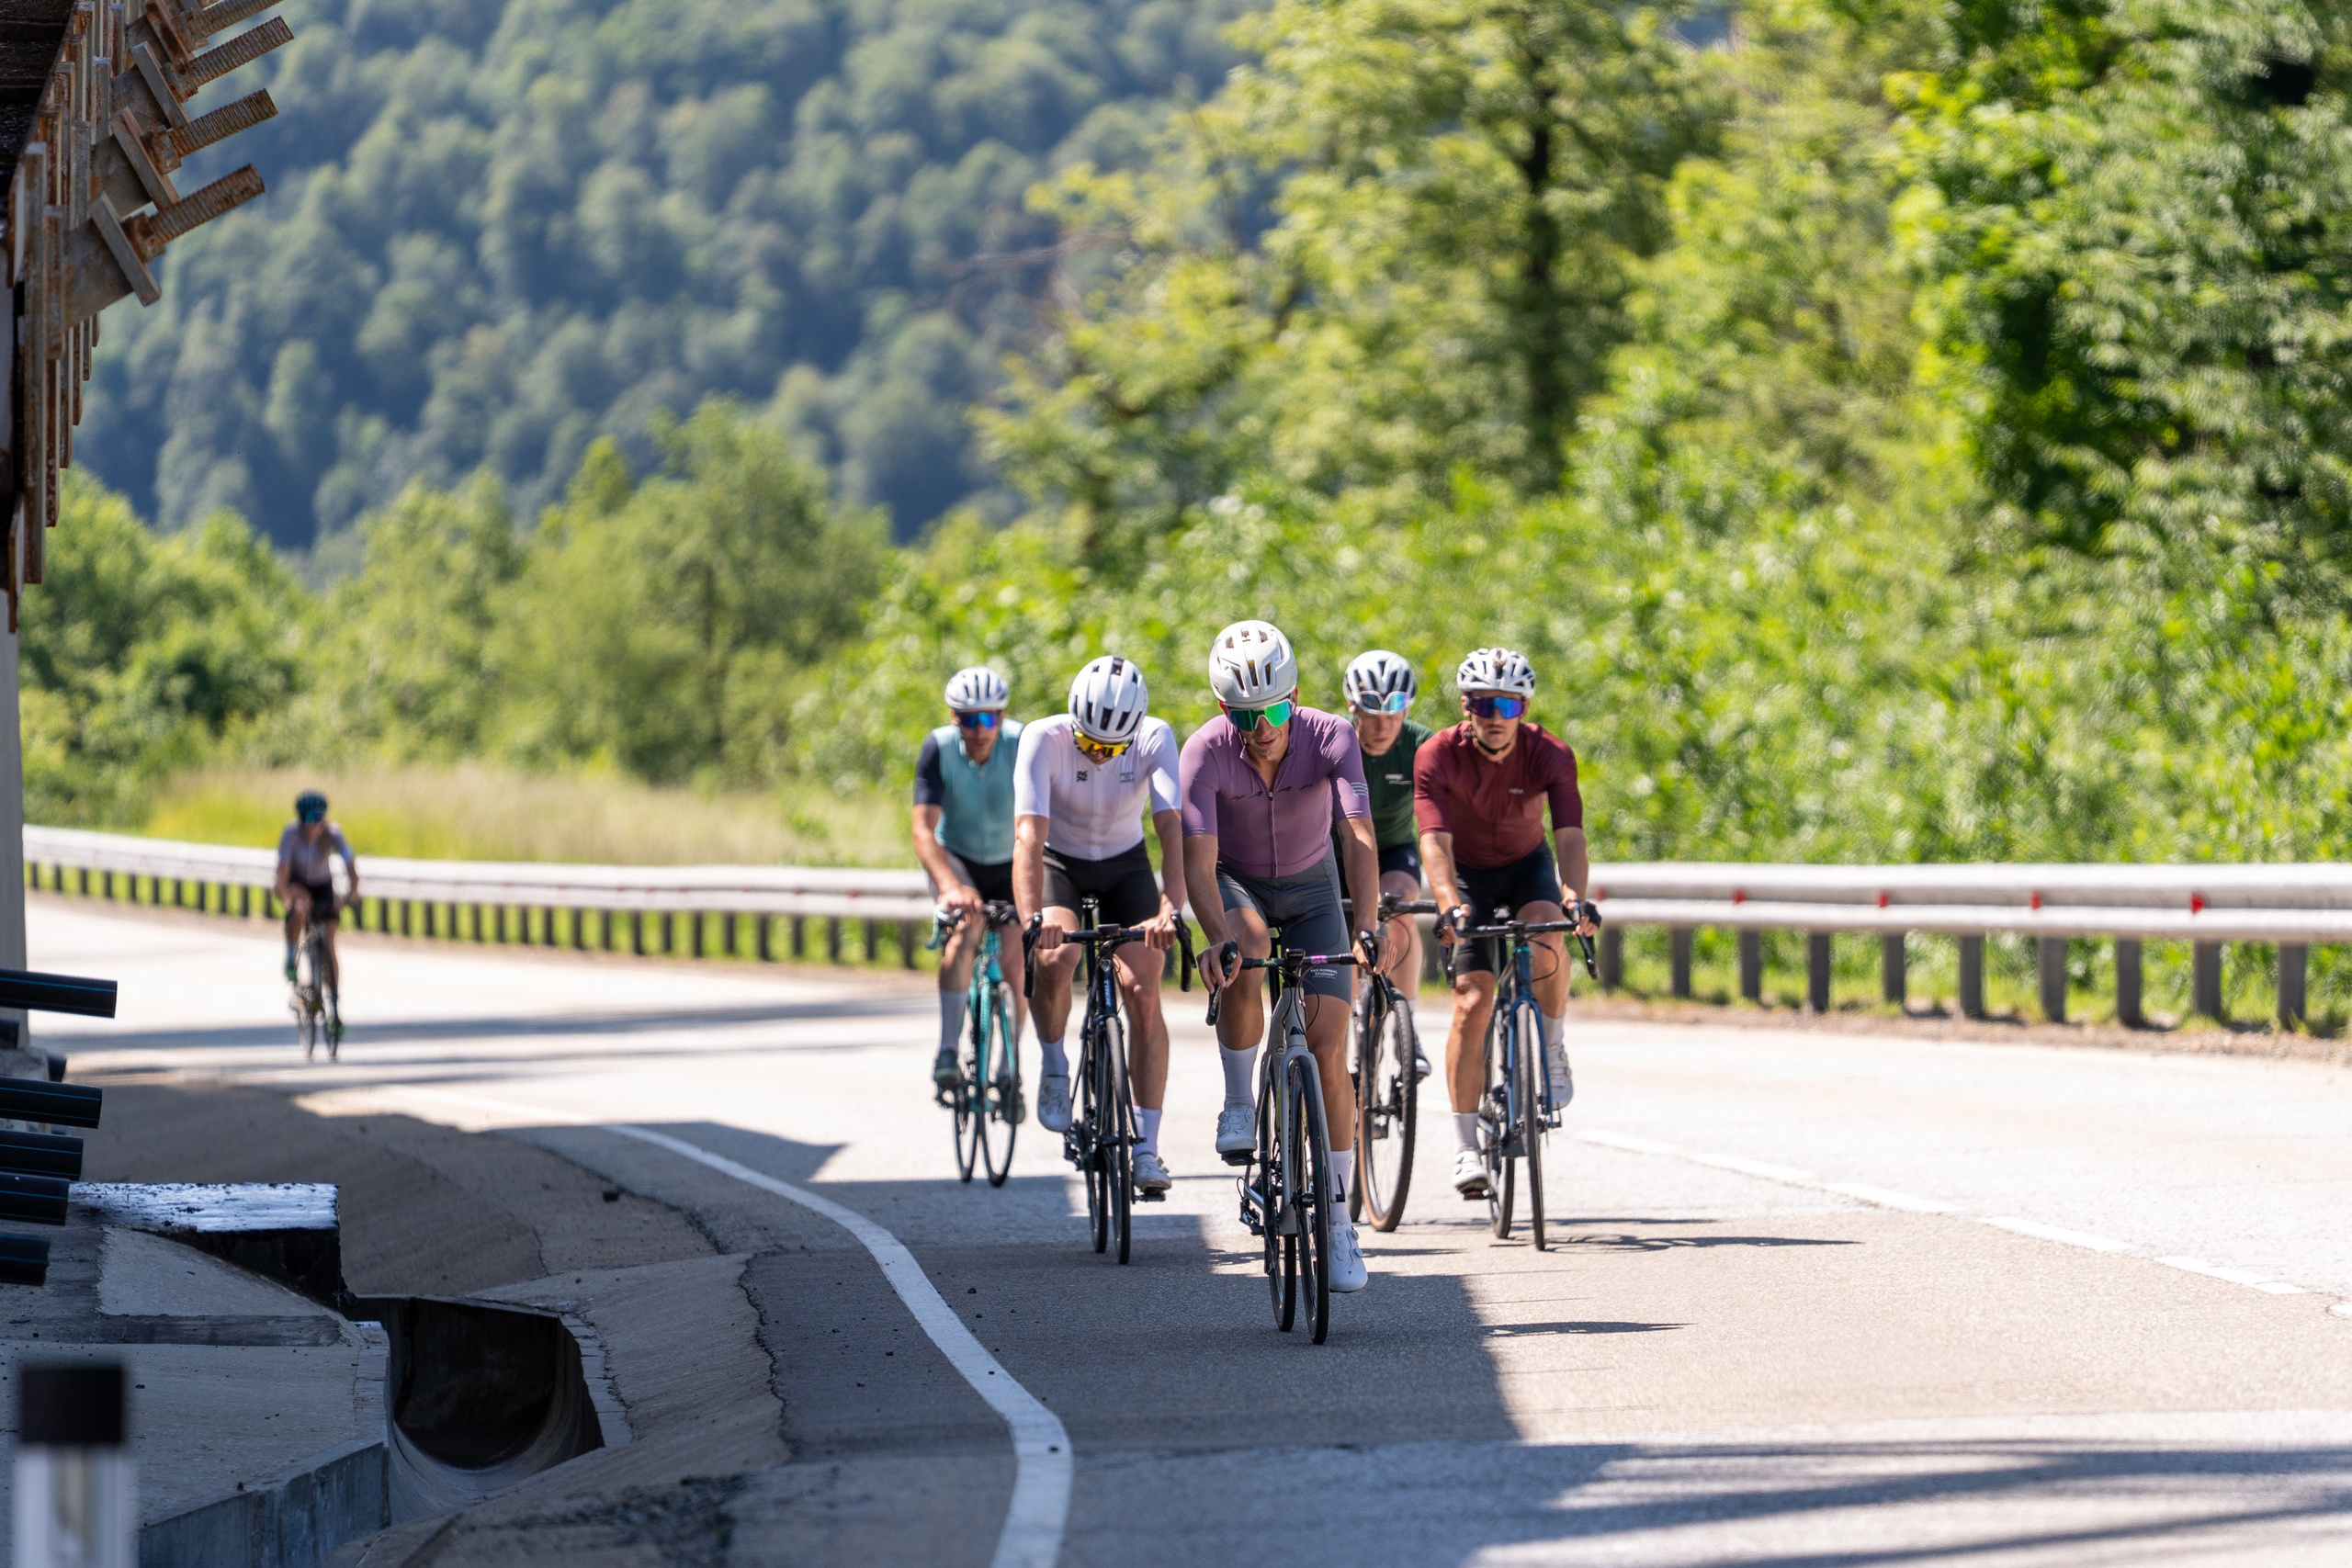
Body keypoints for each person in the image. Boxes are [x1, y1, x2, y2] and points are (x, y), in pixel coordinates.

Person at [1183, 620, 1384, 1294]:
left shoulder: (1331, 736)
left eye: (1272, 710)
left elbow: (1357, 834)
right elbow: (1198, 863)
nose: (1260, 726)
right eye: (1244, 713)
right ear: (1222, 709)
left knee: (1328, 1047)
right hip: (1239, 887)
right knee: (1248, 949)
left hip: (1312, 889)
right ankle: (1240, 1101)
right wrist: (1215, 936)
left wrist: (1370, 920)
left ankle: (1337, 1218)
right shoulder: (1205, 751)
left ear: (1293, 696)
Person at [1414, 647, 1597, 1199]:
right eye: (1483, 704)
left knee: (1547, 936)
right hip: (1466, 875)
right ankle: (1466, 1147)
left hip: (1525, 869)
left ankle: (1553, 1043)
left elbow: (1568, 835)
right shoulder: (1437, 755)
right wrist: (1447, 902)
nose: (1495, 717)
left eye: (1509, 706)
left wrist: (1575, 897)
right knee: (1473, 1001)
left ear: (1525, 707)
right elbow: (1435, 841)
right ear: (1466, 706)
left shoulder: (1550, 753)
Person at [1012, 656, 1187, 1195]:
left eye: (1113, 748)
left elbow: (1173, 828)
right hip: (1060, 864)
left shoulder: (1156, 737)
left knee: (1143, 989)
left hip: (1125, 865)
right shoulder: (1045, 739)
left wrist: (1170, 908)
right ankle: (1053, 1063)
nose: (1100, 753)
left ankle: (1148, 1148)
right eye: (1091, 742)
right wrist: (1032, 920)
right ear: (1074, 722)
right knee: (1056, 957)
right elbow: (1028, 837)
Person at [911, 666, 1028, 1095]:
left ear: (1002, 715)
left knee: (1017, 961)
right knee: (964, 935)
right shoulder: (938, 748)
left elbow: (1043, 820)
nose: (980, 730)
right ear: (952, 717)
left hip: (1010, 859)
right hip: (957, 859)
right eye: (968, 719)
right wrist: (948, 886)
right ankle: (947, 1049)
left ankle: (1009, 1066)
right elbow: (924, 829)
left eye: (989, 718)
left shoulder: (1021, 744)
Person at [1338, 649, 1433, 1064]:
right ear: (1352, 708)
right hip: (1337, 854)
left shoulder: (1420, 744)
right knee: (1342, 940)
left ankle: (1406, 1028)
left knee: (1396, 909)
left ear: (1407, 707)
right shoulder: (1334, 740)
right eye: (1370, 711)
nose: (1382, 725)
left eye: (1394, 710)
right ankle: (1350, 1023)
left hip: (1394, 849)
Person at [277, 791, 357, 995]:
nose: (313, 825)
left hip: (323, 886)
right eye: (308, 819)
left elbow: (351, 867)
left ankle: (334, 1000)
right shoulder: (291, 834)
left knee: (330, 942)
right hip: (298, 884)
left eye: (318, 819)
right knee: (301, 907)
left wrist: (350, 894)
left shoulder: (332, 833)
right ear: (300, 819)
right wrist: (287, 900)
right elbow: (282, 872)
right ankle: (290, 957)